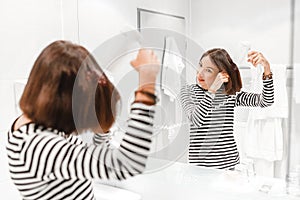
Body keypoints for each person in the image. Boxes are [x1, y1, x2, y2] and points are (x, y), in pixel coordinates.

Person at [6, 40, 160, 200]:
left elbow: (96, 157)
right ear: (64, 99)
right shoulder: (37, 146)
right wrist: (147, 84)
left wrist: (103, 128)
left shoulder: (48, 125)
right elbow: (126, 163)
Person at [180, 48, 274, 170]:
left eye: (208, 70)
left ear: (222, 74)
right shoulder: (188, 91)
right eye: (200, 66)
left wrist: (267, 69)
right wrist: (212, 90)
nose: (200, 73)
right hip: (201, 167)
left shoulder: (230, 94)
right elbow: (196, 120)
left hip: (230, 165)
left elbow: (266, 101)